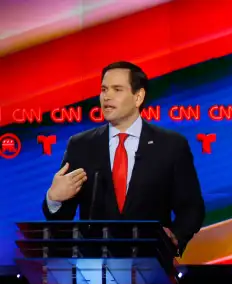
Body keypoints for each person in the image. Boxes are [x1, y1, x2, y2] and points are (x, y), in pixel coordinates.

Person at [42, 61, 205, 256]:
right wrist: (54, 199)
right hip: (94, 268)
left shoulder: (171, 145)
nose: (106, 96)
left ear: (138, 97)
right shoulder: (81, 145)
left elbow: (192, 207)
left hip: (151, 263)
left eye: (117, 89)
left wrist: (176, 237)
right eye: (103, 89)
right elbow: (61, 218)